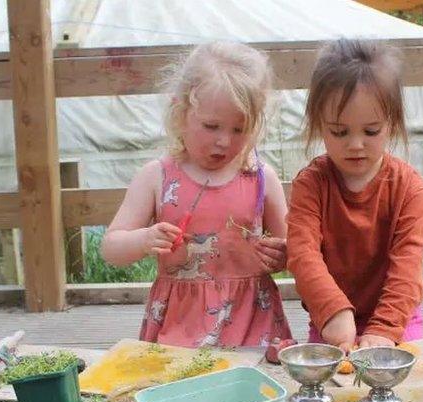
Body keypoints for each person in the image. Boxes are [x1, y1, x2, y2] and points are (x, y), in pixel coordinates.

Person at [101, 42, 292, 347]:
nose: (224, 142)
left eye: (239, 129)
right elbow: (111, 247)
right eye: (211, 126)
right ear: (180, 112)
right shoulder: (157, 176)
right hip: (180, 329)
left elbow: (297, 250)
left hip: (252, 325)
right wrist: (144, 239)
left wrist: (284, 255)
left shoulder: (260, 179)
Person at [287, 38, 423, 351]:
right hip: (331, 323)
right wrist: (333, 311)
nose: (355, 144)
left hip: (398, 323)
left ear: (392, 124)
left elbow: (408, 268)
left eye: (370, 131)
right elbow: (303, 255)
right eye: (339, 132)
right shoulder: (310, 185)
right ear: (318, 124)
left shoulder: (410, 188)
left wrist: (383, 329)